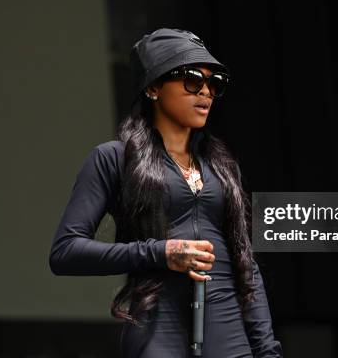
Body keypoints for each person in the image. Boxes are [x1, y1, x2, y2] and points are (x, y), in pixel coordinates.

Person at [49, 28, 283, 357]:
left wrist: (268, 350)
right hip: (160, 333)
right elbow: (65, 252)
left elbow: (246, 264)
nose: (206, 92)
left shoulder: (222, 167)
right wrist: (161, 252)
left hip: (231, 336)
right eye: (191, 79)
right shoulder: (113, 159)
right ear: (154, 87)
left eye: (213, 83)